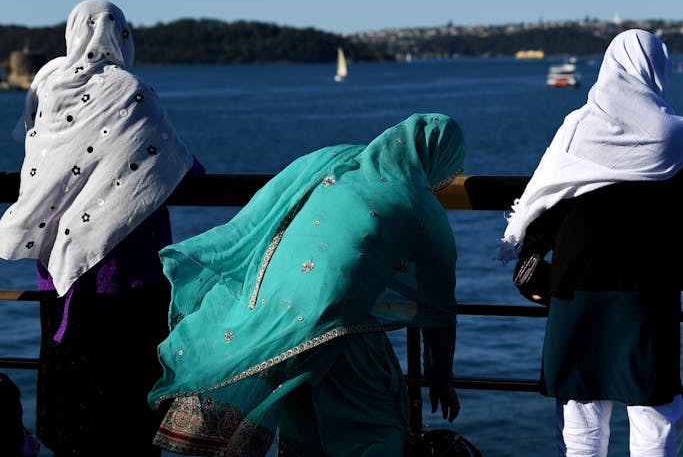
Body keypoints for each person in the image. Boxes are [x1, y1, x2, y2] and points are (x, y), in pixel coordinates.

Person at [147, 113, 464, 456]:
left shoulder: (332, 159)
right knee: (374, 428)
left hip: (279, 311)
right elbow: (440, 305)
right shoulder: (419, 203)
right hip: (339, 324)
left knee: (303, 428)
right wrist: (441, 377)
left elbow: (272, 204)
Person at [0, 0, 202, 456]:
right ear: (124, 36)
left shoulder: (49, 87)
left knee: (71, 382)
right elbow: (176, 166)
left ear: (74, 34)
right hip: (129, 275)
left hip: (58, 273)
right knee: (128, 393)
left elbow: (38, 154)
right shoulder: (131, 91)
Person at [498, 29, 683, 456]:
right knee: (654, 408)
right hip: (647, 287)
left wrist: (529, 255)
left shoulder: (578, 128)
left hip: (578, 282)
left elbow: (548, 192)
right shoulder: (678, 136)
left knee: (581, 409)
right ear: (657, 68)